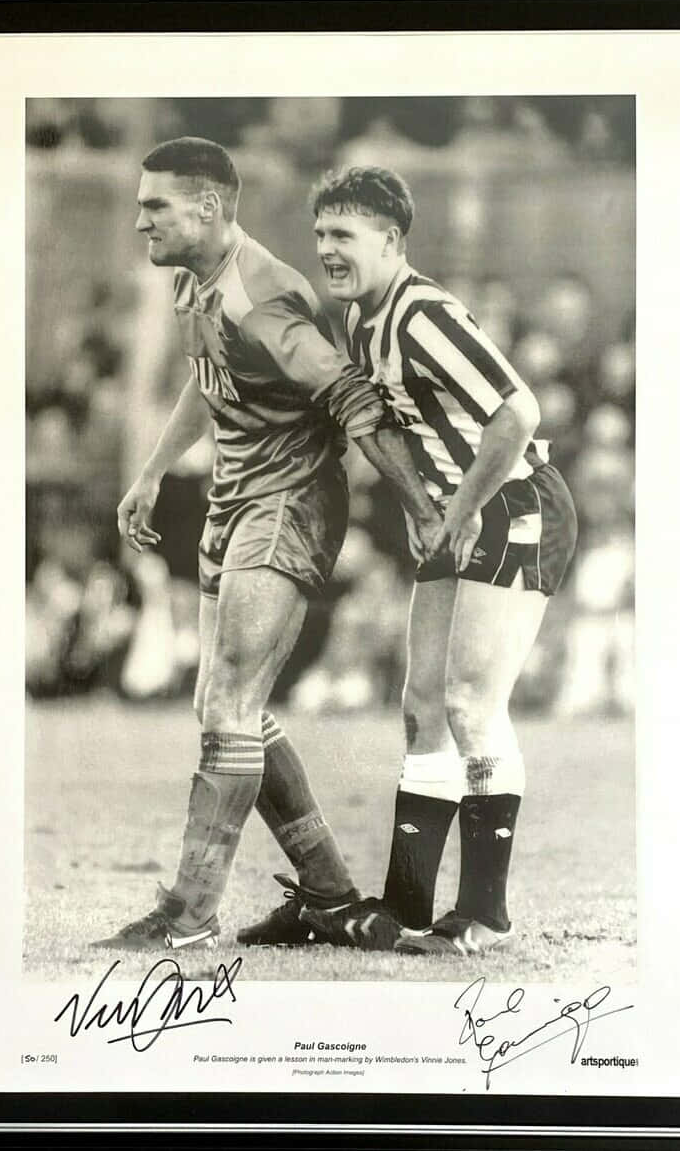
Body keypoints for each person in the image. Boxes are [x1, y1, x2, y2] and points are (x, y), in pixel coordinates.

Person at [93, 139, 440, 952]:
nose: (141, 220)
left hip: (289, 503)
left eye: (155, 206)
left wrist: (420, 509)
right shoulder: (193, 278)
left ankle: (189, 912)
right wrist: (153, 471)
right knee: (222, 704)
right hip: (234, 499)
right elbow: (209, 376)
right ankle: (326, 892)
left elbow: (349, 392)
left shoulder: (262, 296)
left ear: (208, 207)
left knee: (229, 706)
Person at [301, 166, 578, 956]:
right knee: (421, 702)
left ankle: (485, 912)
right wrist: (424, 510)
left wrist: (453, 511)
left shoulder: (424, 315)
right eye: (320, 234)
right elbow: (381, 426)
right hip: (457, 514)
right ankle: (406, 905)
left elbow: (517, 412)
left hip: (514, 503)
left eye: (343, 235)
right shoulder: (362, 319)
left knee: (469, 702)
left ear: (390, 240)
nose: (326, 249)